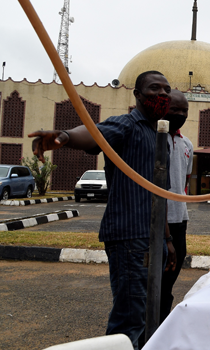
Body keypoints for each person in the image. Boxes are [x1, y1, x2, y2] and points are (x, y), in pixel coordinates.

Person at [28, 70, 176, 350]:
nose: (163, 94)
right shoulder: (128, 126)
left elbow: (160, 196)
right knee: (129, 319)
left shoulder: (159, 134)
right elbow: (95, 134)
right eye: (155, 88)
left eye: (167, 89)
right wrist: (64, 136)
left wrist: (166, 239)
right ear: (138, 95)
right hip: (129, 238)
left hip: (151, 238)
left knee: (146, 315)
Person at [160, 90, 194, 323]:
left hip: (179, 220)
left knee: (169, 280)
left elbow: (185, 182)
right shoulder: (153, 139)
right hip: (158, 223)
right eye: (175, 110)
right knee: (155, 279)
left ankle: (161, 323)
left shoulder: (187, 144)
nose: (180, 115)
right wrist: (167, 238)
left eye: (185, 111)